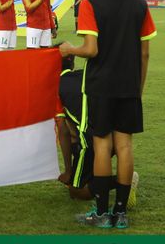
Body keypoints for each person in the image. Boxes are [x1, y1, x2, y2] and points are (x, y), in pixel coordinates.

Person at [59, 0, 156, 229]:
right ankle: (121, 214)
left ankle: (101, 213)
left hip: (100, 85)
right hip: (128, 85)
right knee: (124, 146)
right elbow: (145, 52)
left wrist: (69, 50)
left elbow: (91, 49)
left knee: (102, 145)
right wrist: (137, 88)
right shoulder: (139, 3)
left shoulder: (90, 3)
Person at [54, 53, 139, 207]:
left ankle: (121, 181)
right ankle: (117, 186)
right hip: (113, 135)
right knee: (84, 149)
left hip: (92, 141)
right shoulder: (85, 75)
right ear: (72, 63)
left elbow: (63, 130)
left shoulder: (57, 86)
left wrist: (67, 171)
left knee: (75, 191)